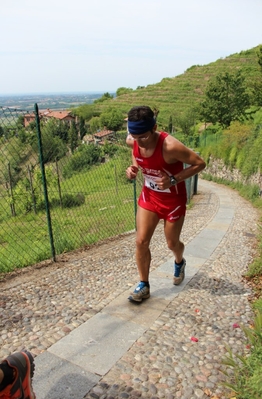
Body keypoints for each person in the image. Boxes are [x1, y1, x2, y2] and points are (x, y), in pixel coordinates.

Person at [126, 105, 206, 302]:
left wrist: (173, 179)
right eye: (135, 137)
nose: (139, 142)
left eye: (143, 137)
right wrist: (134, 168)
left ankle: (179, 261)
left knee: (172, 242)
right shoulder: (133, 139)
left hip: (173, 200)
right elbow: (136, 154)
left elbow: (200, 163)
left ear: (154, 128)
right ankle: (144, 284)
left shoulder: (170, 146)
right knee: (141, 241)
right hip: (150, 197)